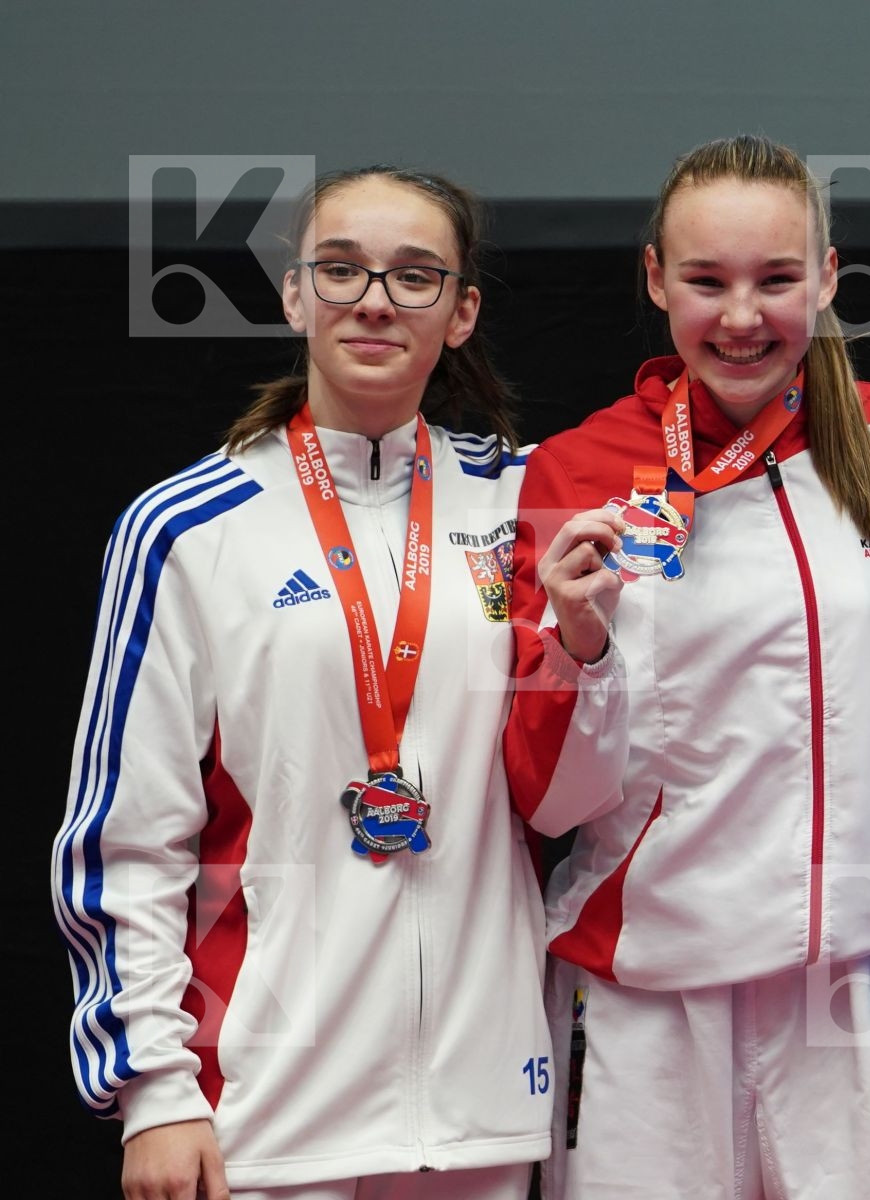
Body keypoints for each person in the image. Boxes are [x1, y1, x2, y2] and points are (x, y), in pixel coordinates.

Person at [50, 166, 594, 1200]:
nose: (376, 300)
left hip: (484, 1109)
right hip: (267, 1112)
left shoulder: (531, 498)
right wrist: (154, 1088)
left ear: (463, 312)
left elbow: (710, 463)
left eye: (416, 275)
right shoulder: (185, 528)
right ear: (295, 295)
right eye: (342, 269)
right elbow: (125, 836)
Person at [503, 134, 870, 1200]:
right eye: (707, 281)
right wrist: (575, 645)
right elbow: (546, 798)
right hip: (657, 990)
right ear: (656, 278)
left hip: (864, 984)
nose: (743, 317)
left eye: (777, 279)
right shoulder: (573, 471)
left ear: (829, 278)